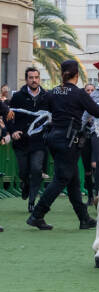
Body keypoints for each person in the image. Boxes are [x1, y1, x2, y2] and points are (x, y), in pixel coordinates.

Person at [27, 60, 99, 230]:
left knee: (72, 179)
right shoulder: (78, 93)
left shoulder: (53, 92)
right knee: (61, 178)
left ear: (62, 74)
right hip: (69, 141)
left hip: (53, 138)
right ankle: (37, 214)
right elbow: (97, 112)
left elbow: (43, 107)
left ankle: (84, 219)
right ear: (77, 75)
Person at [7, 67, 48, 213]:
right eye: (31, 77)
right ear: (26, 79)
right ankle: (26, 183)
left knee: (37, 169)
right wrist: (12, 132)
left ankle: (32, 201)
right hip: (21, 142)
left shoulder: (46, 96)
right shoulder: (18, 96)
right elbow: (8, 117)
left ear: (39, 79)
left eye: (36, 77)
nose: (34, 80)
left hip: (38, 142)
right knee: (23, 172)